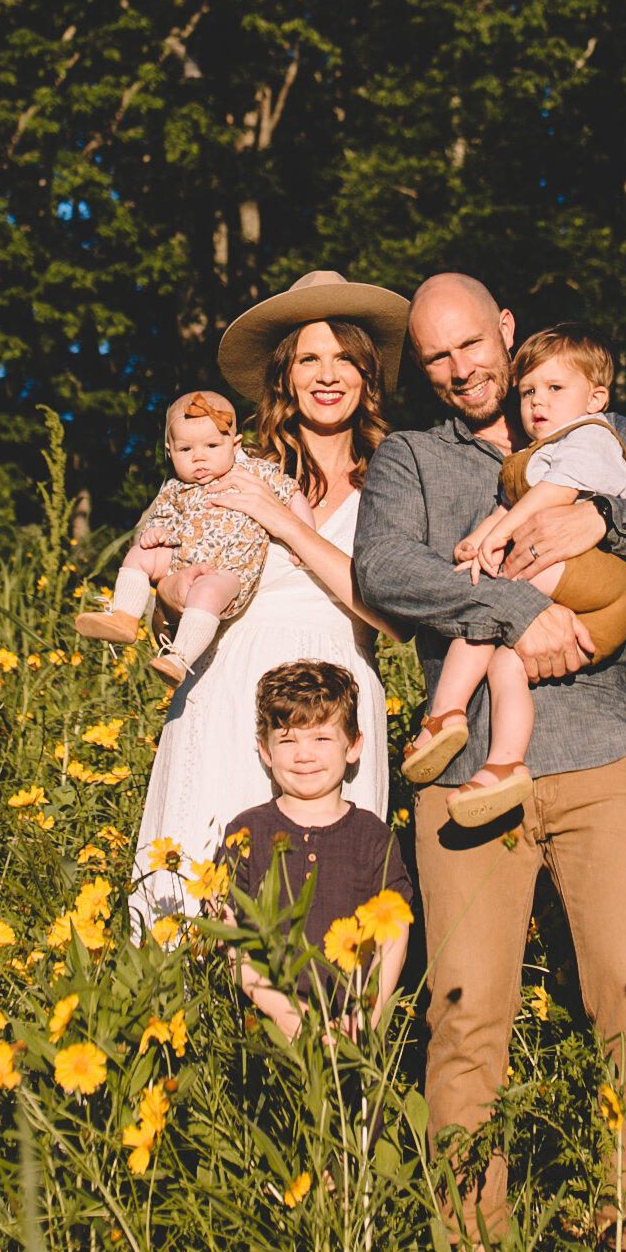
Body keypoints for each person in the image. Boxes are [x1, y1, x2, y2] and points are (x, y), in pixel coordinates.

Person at [351, 271, 626, 1252]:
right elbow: (388, 569)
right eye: (438, 359)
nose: (464, 369)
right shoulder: (414, 462)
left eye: (475, 345)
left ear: (506, 333)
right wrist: (526, 609)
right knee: (468, 1023)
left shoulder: (592, 424)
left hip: (606, 765)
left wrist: (593, 512)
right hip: (468, 778)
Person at [131, 271, 408, 926]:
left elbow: (395, 616)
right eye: (309, 358)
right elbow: (170, 582)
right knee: (201, 879)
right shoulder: (230, 466)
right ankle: (187, 1023)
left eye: (345, 358)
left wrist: (286, 523)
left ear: (368, 376)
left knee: (324, 902)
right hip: (228, 685)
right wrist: (171, 586)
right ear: (282, 376)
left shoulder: (396, 476)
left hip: (338, 687)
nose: (328, 374)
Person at [402, 324, 626, 822]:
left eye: (556, 389)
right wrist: (480, 537)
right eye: (530, 390)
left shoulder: (592, 436)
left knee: (486, 594)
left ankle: (445, 713)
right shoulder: (538, 452)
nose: (538, 402)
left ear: (596, 397)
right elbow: (516, 503)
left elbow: (553, 495)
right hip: (577, 596)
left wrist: (497, 536)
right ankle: (505, 764)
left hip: (603, 582)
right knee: (505, 664)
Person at [219, 660, 413, 1038]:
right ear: (266, 750)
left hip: (352, 1036)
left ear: (353, 745)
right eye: (288, 740)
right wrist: (291, 1018)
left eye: (321, 739)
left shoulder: (373, 836)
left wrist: (365, 1017)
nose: (304, 755)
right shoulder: (246, 832)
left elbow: (395, 931)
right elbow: (228, 937)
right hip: (263, 1030)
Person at [75, 389, 304, 686]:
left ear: (235, 445)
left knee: (206, 591)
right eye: (186, 450)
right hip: (182, 558)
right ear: (170, 451)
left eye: (211, 445)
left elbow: (292, 495)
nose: (199, 457)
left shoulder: (254, 472)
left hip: (229, 571)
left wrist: (302, 537)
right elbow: (160, 520)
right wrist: (154, 534)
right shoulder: (174, 488)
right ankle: (123, 616)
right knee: (138, 555)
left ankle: (180, 657)